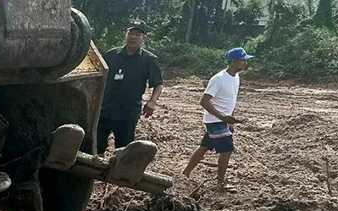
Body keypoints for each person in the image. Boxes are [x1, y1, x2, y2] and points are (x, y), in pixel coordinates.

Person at [181, 47, 253, 191]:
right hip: (215, 120)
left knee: (204, 147)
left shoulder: (235, 77)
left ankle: (185, 175)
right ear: (234, 61)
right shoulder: (219, 79)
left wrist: (230, 121)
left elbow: (231, 100)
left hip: (221, 120)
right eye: (243, 60)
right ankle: (220, 183)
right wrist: (223, 118)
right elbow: (204, 101)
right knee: (226, 150)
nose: (245, 63)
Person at [97, 20, 164, 154]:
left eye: (137, 34)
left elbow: (158, 84)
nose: (133, 37)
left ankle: (117, 173)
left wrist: (152, 102)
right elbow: (98, 76)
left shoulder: (149, 60)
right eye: (130, 33)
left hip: (127, 112)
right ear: (126, 35)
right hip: (105, 108)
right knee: (96, 144)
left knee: (123, 148)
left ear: (144, 38)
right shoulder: (111, 55)